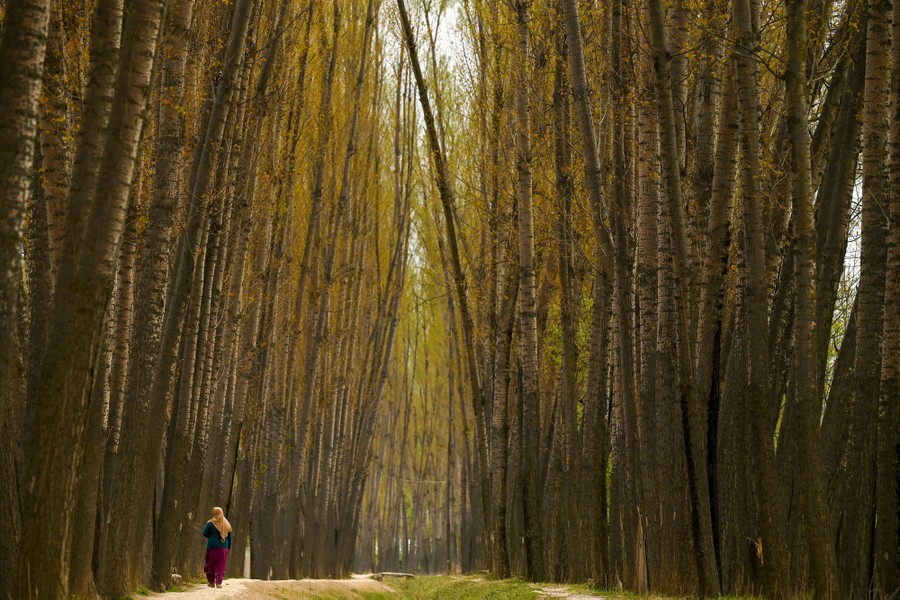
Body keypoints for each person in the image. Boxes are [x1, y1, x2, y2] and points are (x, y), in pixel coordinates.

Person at [202, 506, 233, 588]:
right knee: (221, 565)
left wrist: (211, 536)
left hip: (212, 547)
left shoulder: (210, 523)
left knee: (210, 564)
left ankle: (211, 582)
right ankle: (218, 583)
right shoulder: (226, 523)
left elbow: (204, 533)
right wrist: (228, 547)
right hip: (223, 548)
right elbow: (229, 537)